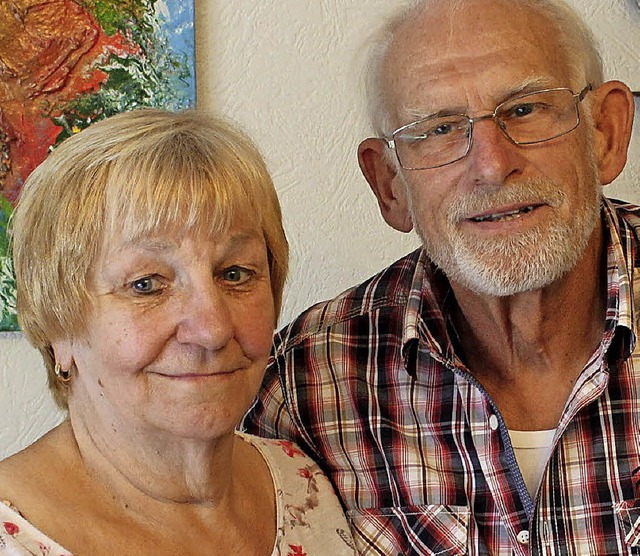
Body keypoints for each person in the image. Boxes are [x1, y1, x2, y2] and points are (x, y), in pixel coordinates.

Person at [243, 0, 639, 553]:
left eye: (524, 109)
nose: (492, 164)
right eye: (440, 129)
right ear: (390, 185)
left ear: (605, 132)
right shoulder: (303, 386)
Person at [0, 109, 357, 555]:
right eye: (145, 284)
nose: (211, 329)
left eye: (235, 273)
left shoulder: (305, 483)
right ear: (58, 326)